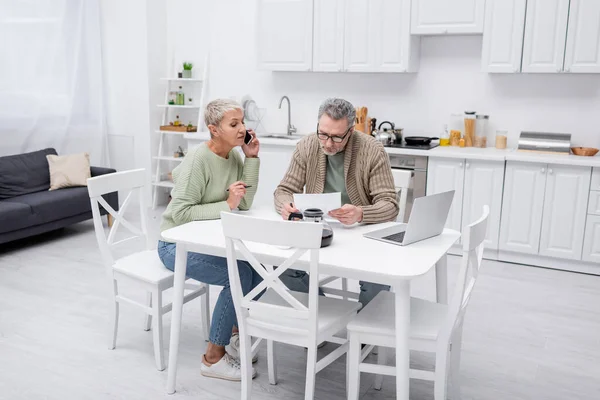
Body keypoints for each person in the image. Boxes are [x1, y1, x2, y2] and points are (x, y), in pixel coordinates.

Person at [157, 98, 261, 381]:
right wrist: (226, 204)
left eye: (242, 122)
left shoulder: (235, 156)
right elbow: (179, 214)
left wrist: (251, 158)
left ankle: (236, 334)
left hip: (206, 241)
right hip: (174, 246)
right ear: (214, 129)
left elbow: (246, 202)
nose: (242, 129)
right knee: (239, 273)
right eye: (234, 124)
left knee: (260, 269)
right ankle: (213, 357)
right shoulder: (198, 159)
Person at [274, 97, 399, 308]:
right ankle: (320, 312)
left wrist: (360, 213)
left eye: (337, 137)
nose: (328, 143)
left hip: (360, 233)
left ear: (350, 131)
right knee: (281, 265)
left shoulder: (372, 150)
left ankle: (363, 334)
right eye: (323, 134)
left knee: (377, 275)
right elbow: (284, 190)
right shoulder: (307, 145)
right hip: (318, 231)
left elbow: (389, 204)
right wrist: (286, 206)